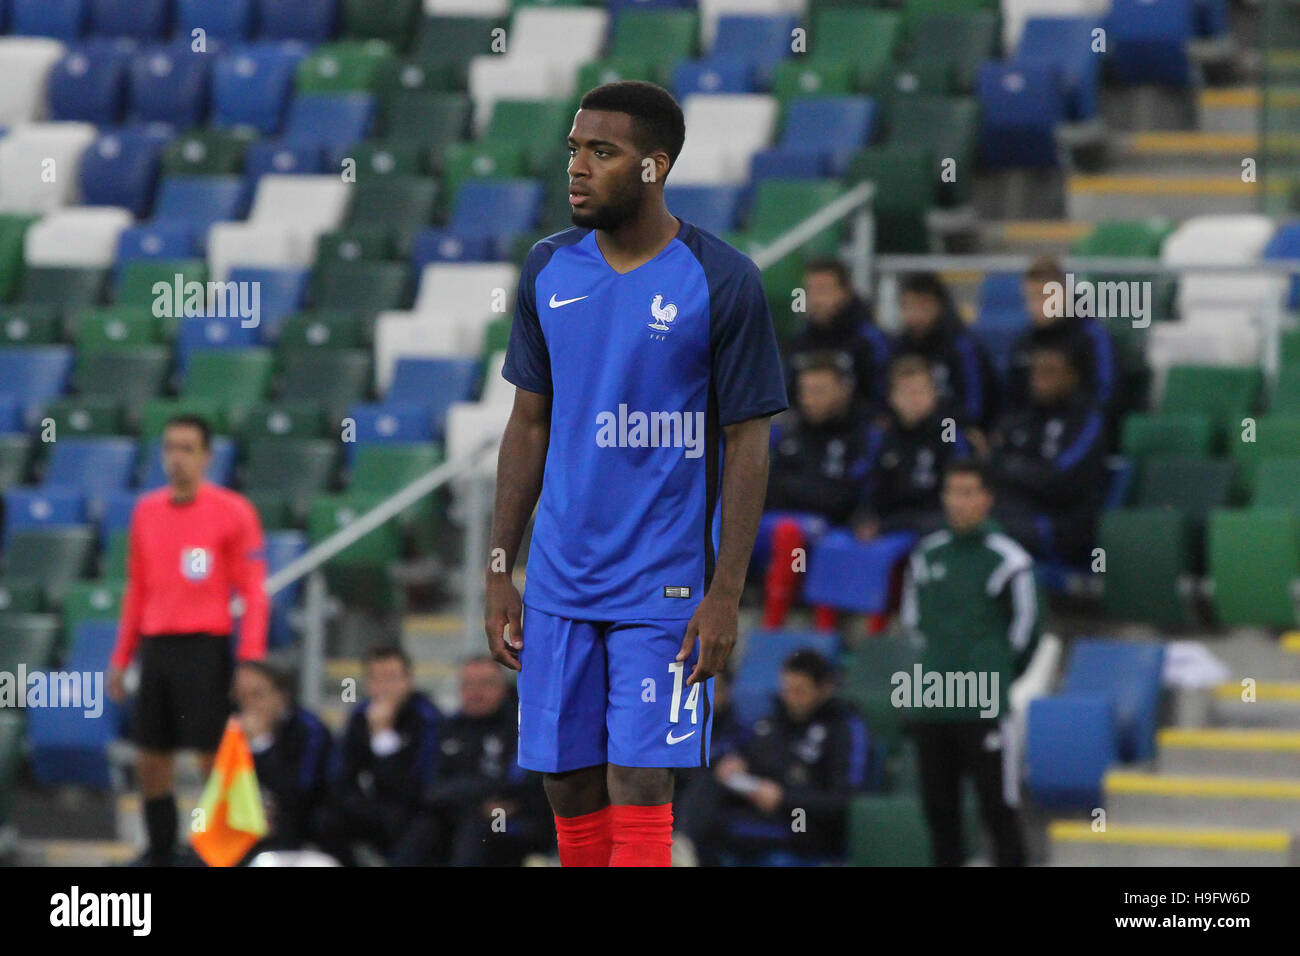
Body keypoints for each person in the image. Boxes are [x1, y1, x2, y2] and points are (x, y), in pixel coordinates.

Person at [486, 80, 788, 868]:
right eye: (574, 151)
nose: (577, 168)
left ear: (655, 167)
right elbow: (528, 424)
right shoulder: (548, 267)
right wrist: (497, 569)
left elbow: (748, 441)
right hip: (558, 577)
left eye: (601, 152)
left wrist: (727, 592)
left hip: (666, 583)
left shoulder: (722, 280)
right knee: (566, 779)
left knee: (639, 773)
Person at [107, 414, 269, 867]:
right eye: (170, 448)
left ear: (207, 457)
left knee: (212, 760)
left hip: (205, 647)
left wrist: (250, 659)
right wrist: (122, 656)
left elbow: (253, 592)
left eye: (187, 448)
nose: (176, 458)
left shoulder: (233, 511)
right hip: (157, 648)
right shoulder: (146, 511)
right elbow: (138, 587)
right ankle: (160, 852)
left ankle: (229, 854)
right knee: (150, 760)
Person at [900, 459, 1040, 867]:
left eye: (967, 492)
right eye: (951, 492)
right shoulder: (926, 556)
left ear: (987, 498)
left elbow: (1027, 632)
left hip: (983, 706)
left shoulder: (1008, 560)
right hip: (933, 703)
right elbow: (914, 625)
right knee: (939, 813)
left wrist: (993, 677)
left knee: (999, 808)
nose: (957, 502)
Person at [686, 650, 869, 865]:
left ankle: (683, 847)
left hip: (805, 821)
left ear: (824, 689)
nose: (790, 698)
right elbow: (753, 755)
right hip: (763, 813)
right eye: (787, 689)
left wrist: (783, 798)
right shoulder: (775, 720)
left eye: (800, 692)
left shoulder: (843, 728)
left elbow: (842, 801)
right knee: (706, 783)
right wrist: (737, 764)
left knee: (713, 829)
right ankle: (681, 844)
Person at [760, 352, 873, 628]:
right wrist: (813, 493)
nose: (810, 399)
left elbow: (844, 499)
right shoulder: (790, 433)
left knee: (822, 541)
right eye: (805, 391)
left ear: (844, 390)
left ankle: (811, 633)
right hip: (778, 523)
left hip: (834, 528)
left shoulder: (860, 436)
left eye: (819, 391)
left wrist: (798, 490)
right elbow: (769, 489)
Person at [314, 645, 442, 866]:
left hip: (413, 810)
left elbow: (419, 786)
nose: (384, 687)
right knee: (324, 819)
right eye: (376, 679)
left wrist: (383, 736)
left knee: (421, 824)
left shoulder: (427, 718)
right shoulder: (360, 717)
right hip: (371, 806)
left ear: (408, 681)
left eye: (392, 678)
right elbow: (340, 776)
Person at [987, 344, 1106, 565]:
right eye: (1036, 372)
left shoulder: (1087, 420)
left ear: (1072, 376)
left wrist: (1013, 468)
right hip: (1013, 509)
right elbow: (991, 466)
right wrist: (1019, 471)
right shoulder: (1019, 417)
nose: (1039, 380)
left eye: (1050, 372)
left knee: (992, 533)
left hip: (1063, 518)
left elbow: (1061, 480)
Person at [425, 657, 549, 866]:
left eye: (485, 684)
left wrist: (468, 793)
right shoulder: (447, 728)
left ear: (503, 687)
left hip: (512, 817)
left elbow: (516, 785)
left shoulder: (521, 728)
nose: (476, 692)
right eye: (468, 685)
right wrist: (475, 799)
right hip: (463, 812)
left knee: (479, 826)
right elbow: (431, 789)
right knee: (425, 826)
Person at [855, 355, 974, 541]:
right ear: (892, 398)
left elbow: (957, 489)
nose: (915, 400)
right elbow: (868, 486)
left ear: (934, 394)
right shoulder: (881, 435)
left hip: (934, 520)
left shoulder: (948, 430)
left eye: (922, 391)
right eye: (907, 393)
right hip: (891, 518)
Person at [231, 661, 332, 860]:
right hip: (253, 819)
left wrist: (262, 743)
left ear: (281, 695)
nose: (249, 705)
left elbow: (301, 792)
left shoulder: (309, 730)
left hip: (305, 817)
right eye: (241, 697)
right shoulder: (234, 730)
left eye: (257, 695)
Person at [1007, 255, 1119, 422]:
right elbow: (1012, 403)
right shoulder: (1024, 343)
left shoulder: (1092, 338)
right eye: (1030, 298)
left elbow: (1105, 398)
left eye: (1043, 297)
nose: (1036, 306)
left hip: (1076, 432)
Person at [893, 272, 1000, 432]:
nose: (916, 314)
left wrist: (936, 418)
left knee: (952, 441)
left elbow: (974, 407)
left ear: (939, 306)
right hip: (905, 429)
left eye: (923, 306)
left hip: (949, 428)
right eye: (909, 306)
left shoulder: (962, 347)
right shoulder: (899, 347)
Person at [785, 256, 890, 411]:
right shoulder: (798, 342)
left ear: (844, 293)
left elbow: (882, 397)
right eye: (809, 290)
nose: (815, 299)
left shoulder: (869, 340)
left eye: (822, 290)